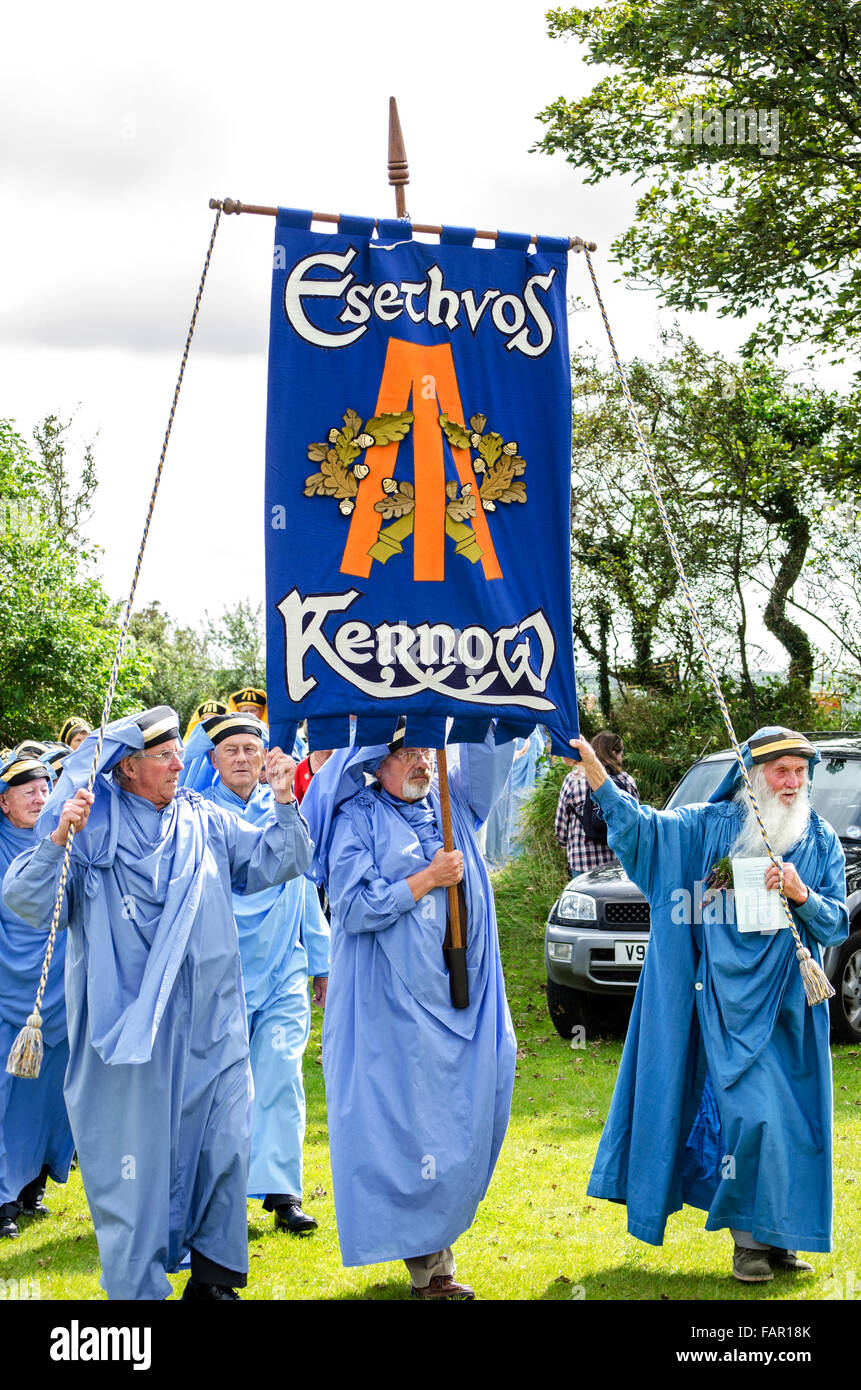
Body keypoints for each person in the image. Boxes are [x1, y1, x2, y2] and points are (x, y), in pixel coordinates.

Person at [3, 706, 311, 1301]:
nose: (179, 763)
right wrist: (60, 835)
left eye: (176, 751)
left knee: (223, 1146)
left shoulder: (204, 817)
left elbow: (277, 860)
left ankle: (216, 1279)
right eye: (163, 755)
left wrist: (284, 800)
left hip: (214, 1024)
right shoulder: (90, 822)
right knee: (134, 1166)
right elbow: (28, 901)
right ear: (127, 769)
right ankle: (138, 1291)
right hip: (129, 1035)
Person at [573, 726, 848, 1283]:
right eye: (781, 771)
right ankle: (747, 1242)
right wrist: (597, 778)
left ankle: (777, 1236)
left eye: (800, 771)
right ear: (752, 774)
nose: (792, 782)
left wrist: (801, 894)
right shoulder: (711, 827)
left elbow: (838, 919)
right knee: (748, 1116)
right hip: (719, 1002)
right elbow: (647, 832)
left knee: (789, 1121)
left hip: (791, 1005)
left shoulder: (821, 842)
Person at [301, 723, 518, 1299]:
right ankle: (431, 1268)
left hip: (462, 999)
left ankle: (438, 1248)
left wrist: (477, 698)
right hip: (389, 1006)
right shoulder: (358, 819)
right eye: (406, 752)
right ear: (377, 763)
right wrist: (426, 880)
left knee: (467, 1107)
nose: (421, 761)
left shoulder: (456, 808)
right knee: (410, 1121)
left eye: (425, 749)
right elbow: (351, 908)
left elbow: (489, 754)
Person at [182, 712, 330, 1234]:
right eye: (231, 750)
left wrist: (320, 961)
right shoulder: (196, 812)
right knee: (225, 1086)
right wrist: (207, 725)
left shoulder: (286, 807)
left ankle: (282, 1191)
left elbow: (304, 885)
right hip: (223, 971)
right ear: (214, 761)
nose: (243, 759)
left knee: (282, 1075)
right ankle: (215, 1194)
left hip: (284, 966)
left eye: (252, 748)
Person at [0, 751, 74, 1239]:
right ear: (4, 803)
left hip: (61, 994)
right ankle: (2, 1196)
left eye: (45, 788)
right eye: (26, 791)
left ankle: (32, 1183)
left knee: (49, 1096)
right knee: (6, 1096)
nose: (39, 797)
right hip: (7, 991)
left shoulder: (66, 844)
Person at [555, 729, 638, 877]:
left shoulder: (573, 780)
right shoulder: (626, 781)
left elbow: (561, 830)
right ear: (614, 752)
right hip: (619, 862)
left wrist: (566, 844)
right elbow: (637, 823)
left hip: (582, 862)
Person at [482, 726, 546, 868]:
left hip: (508, 788)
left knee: (508, 827)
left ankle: (503, 861)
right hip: (521, 790)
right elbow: (541, 768)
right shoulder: (533, 733)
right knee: (514, 828)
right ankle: (510, 862)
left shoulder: (508, 728)